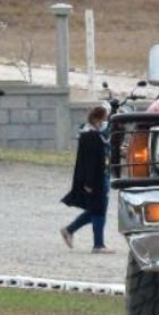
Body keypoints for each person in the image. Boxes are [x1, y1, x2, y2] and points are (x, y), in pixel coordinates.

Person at [61, 105, 113, 254]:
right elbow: (90, 162)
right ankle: (98, 245)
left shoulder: (95, 133)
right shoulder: (91, 135)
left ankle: (69, 230)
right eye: (104, 117)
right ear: (98, 118)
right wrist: (89, 182)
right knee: (98, 211)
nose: (105, 119)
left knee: (96, 211)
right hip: (96, 178)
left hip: (102, 175)